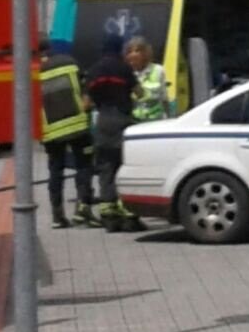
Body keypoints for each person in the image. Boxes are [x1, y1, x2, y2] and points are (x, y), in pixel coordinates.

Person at [83, 33, 147, 233]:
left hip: (102, 122)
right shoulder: (124, 68)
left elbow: (85, 104)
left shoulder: (93, 71)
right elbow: (140, 93)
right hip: (122, 120)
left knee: (105, 169)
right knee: (124, 167)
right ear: (119, 49)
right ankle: (129, 217)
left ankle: (109, 217)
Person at [39, 48, 97, 229]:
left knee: (55, 171)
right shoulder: (69, 61)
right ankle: (83, 209)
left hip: (51, 130)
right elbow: (87, 88)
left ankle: (57, 216)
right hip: (77, 125)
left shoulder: (33, 69)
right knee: (84, 166)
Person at [125, 37, 170, 121]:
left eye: (137, 51)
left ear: (145, 53)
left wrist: (169, 119)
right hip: (134, 122)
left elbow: (164, 98)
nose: (133, 54)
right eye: (129, 52)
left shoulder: (158, 70)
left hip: (155, 121)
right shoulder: (126, 73)